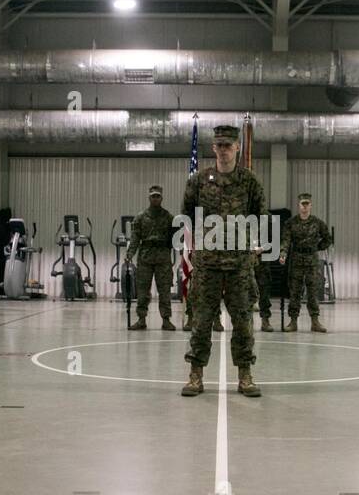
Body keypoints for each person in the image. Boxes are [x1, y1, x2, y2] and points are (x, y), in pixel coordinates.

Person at [180, 124, 267, 398]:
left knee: (242, 322)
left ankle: (245, 375)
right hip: (207, 265)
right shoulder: (199, 180)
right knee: (201, 320)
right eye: (219, 145)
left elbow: (260, 216)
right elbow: (187, 217)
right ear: (213, 148)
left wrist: (251, 247)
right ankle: (195, 376)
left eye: (229, 145)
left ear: (238, 147)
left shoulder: (249, 181)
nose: (224, 150)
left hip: (240, 265)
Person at [280, 192, 332, 333]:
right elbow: (286, 240)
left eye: (307, 204)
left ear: (311, 205)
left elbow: (328, 239)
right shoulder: (291, 223)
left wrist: (316, 247)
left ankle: (315, 322)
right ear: (298, 205)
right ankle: (293, 322)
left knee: (313, 292)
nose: (304, 207)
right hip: (296, 259)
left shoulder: (318, 223)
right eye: (302, 204)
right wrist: (283, 253)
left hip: (312, 261)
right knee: (295, 291)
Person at [127, 184, 177, 331]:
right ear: (149, 198)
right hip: (145, 258)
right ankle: (141, 319)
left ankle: (166, 319)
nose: (155, 199)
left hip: (163, 258)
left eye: (158, 196)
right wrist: (130, 254)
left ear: (162, 198)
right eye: (153, 196)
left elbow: (175, 239)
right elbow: (135, 238)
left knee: (165, 290)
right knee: (142, 290)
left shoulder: (169, 218)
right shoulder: (140, 218)